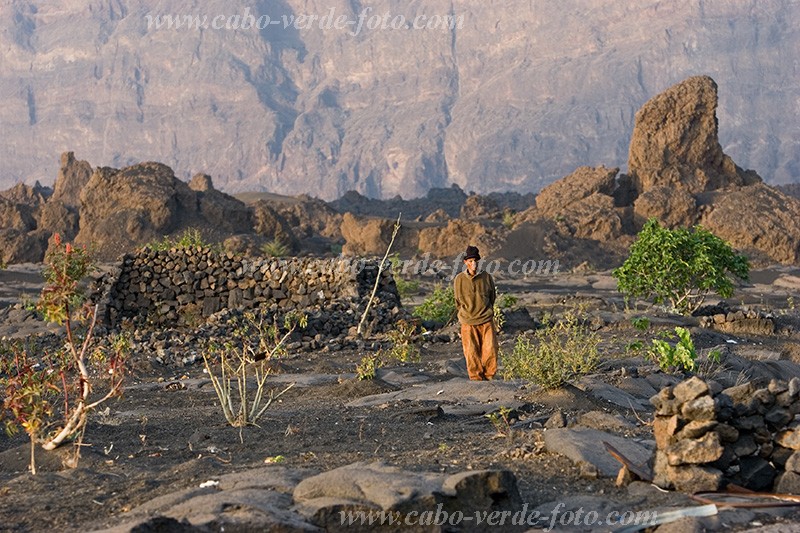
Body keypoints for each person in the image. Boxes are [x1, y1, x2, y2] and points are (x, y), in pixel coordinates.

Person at [453, 245, 498, 381]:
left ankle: (489, 378)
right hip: (468, 322)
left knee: (490, 351)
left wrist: (486, 311)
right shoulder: (459, 280)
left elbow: (492, 297)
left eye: (476, 261)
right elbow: (457, 302)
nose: (474, 264)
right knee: (471, 353)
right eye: (471, 261)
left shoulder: (486, 277)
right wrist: (466, 314)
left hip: (486, 320)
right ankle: (476, 379)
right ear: (465, 262)